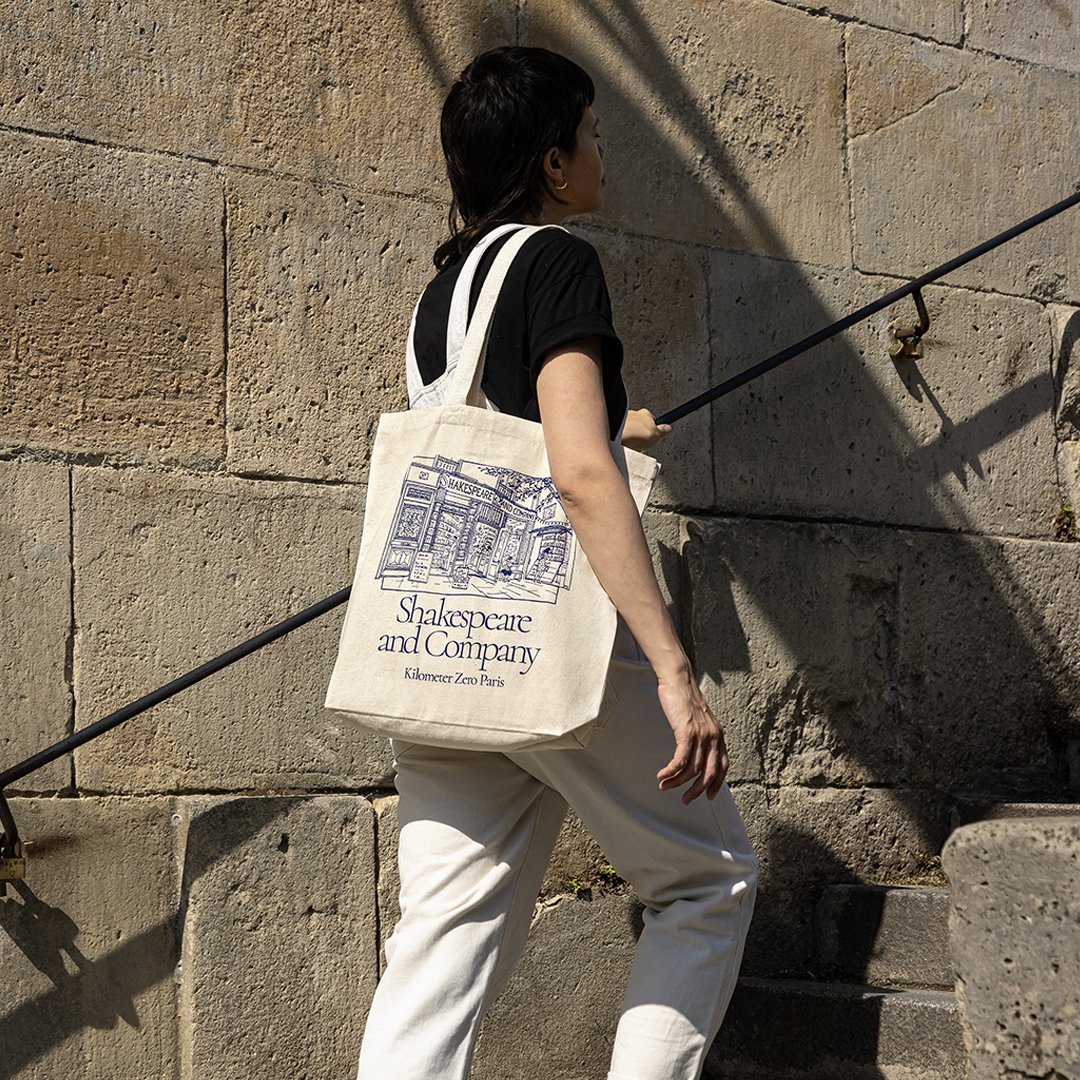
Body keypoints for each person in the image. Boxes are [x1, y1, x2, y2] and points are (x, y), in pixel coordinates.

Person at [356, 46, 757, 1080]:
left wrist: (611, 427)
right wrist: (674, 671)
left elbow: (520, 432)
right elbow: (578, 479)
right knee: (704, 883)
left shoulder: (440, 299)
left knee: (437, 948)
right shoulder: (558, 263)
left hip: (441, 659)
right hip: (555, 643)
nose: (602, 148)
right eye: (590, 131)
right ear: (550, 161)